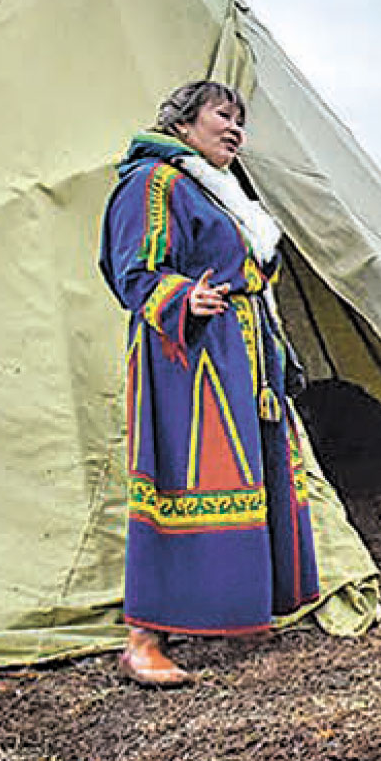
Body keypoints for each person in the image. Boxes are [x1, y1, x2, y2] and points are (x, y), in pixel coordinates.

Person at [99, 80, 321, 687]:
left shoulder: (218, 191)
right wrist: (182, 297)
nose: (235, 128)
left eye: (240, 120)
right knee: (179, 475)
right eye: (222, 114)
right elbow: (133, 270)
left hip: (240, 348)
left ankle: (237, 609)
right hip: (186, 354)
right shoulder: (154, 181)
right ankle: (143, 642)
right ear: (183, 123)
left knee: (245, 476)